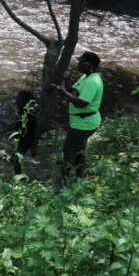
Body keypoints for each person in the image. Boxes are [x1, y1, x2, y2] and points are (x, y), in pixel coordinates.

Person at [53, 51, 104, 184]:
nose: (78, 64)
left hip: (83, 123)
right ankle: (78, 178)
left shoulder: (93, 81)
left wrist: (63, 93)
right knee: (79, 150)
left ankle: (62, 183)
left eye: (82, 62)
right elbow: (73, 91)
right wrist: (67, 80)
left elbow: (82, 103)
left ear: (90, 65)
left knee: (68, 153)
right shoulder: (86, 77)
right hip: (82, 121)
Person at [10, 91, 38, 175]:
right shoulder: (21, 111)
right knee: (14, 159)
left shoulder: (29, 115)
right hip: (20, 139)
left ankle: (19, 177)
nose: (16, 102)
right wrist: (7, 129)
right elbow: (18, 124)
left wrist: (35, 146)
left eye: (18, 100)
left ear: (26, 103)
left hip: (26, 141)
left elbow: (36, 129)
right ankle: (18, 175)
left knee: (15, 159)